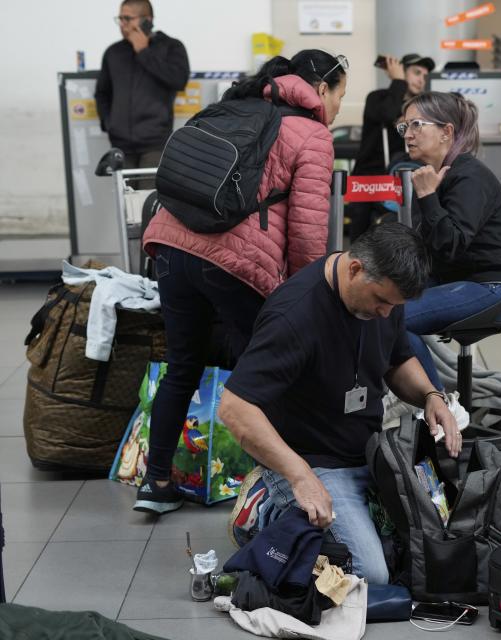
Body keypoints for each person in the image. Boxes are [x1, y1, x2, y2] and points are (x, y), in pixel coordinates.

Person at [134, 50, 348, 515]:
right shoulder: (311, 133)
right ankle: (275, 485)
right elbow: (310, 229)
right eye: (340, 97)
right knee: (269, 372)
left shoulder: (227, 106)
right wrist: (310, 293)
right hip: (234, 260)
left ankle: (155, 483)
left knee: (181, 366)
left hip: (170, 244)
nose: (337, 110)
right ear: (323, 89)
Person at [217, 223, 460, 585]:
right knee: (371, 575)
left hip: (370, 450)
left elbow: (397, 358)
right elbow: (234, 408)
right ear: (355, 268)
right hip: (312, 463)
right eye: (380, 301)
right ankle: (266, 506)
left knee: (443, 542)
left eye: (393, 306)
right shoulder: (294, 315)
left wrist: (431, 396)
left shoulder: (384, 298)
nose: (384, 313)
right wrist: (300, 477)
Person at [400, 92, 501, 391]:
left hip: (492, 286)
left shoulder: (469, 177)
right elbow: (427, 246)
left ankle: (440, 409)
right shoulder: (435, 176)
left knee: (394, 319)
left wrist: (428, 197)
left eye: (417, 124)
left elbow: (451, 244)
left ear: (447, 131)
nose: (408, 134)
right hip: (456, 278)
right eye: (404, 126)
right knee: (378, 306)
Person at [95, 0, 190, 181]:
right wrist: (109, 124)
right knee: (124, 205)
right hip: (120, 145)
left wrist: (143, 52)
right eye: (120, 18)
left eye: (127, 18)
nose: (122, 24)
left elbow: (179, 80)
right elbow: (102, 94)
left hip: (154, 143)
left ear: (147, 20)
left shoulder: (171, 47)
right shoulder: (113, 52)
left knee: (146, 203)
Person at [348, 53, 435, 240]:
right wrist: (398, 81)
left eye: (425, 76)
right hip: (369, 178)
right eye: (416, 72)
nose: (421, 79)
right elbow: (388, 113)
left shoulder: (423, 106)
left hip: (403, 175)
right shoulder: (377, 97)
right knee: (361, 237)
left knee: (400, 231)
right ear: (401, 72)